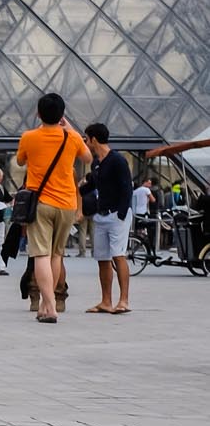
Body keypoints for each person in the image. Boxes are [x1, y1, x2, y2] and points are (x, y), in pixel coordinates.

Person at [14, 92, 88, 325]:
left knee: (41, 255)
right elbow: (87, 158)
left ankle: (50, 307)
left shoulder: (29, 136)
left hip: (41, 203)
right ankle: (48, 304)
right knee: (56, 254)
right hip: (67, 203)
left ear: (38, 113)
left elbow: (19, 161)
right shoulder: (72, 138)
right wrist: (71, 128)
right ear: (62, 114)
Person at [82, 121, 134, 314]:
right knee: (102, 259)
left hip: (116, 215)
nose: (86, 143)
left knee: (118, 256)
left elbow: (127, 188)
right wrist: (73, 189)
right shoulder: (96, 163)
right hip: (101, 216)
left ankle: (124, 300)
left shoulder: (118, 160)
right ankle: (105, 301)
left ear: (94, 139)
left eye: (86, 139)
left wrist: (121, 214)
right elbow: (91, 186)